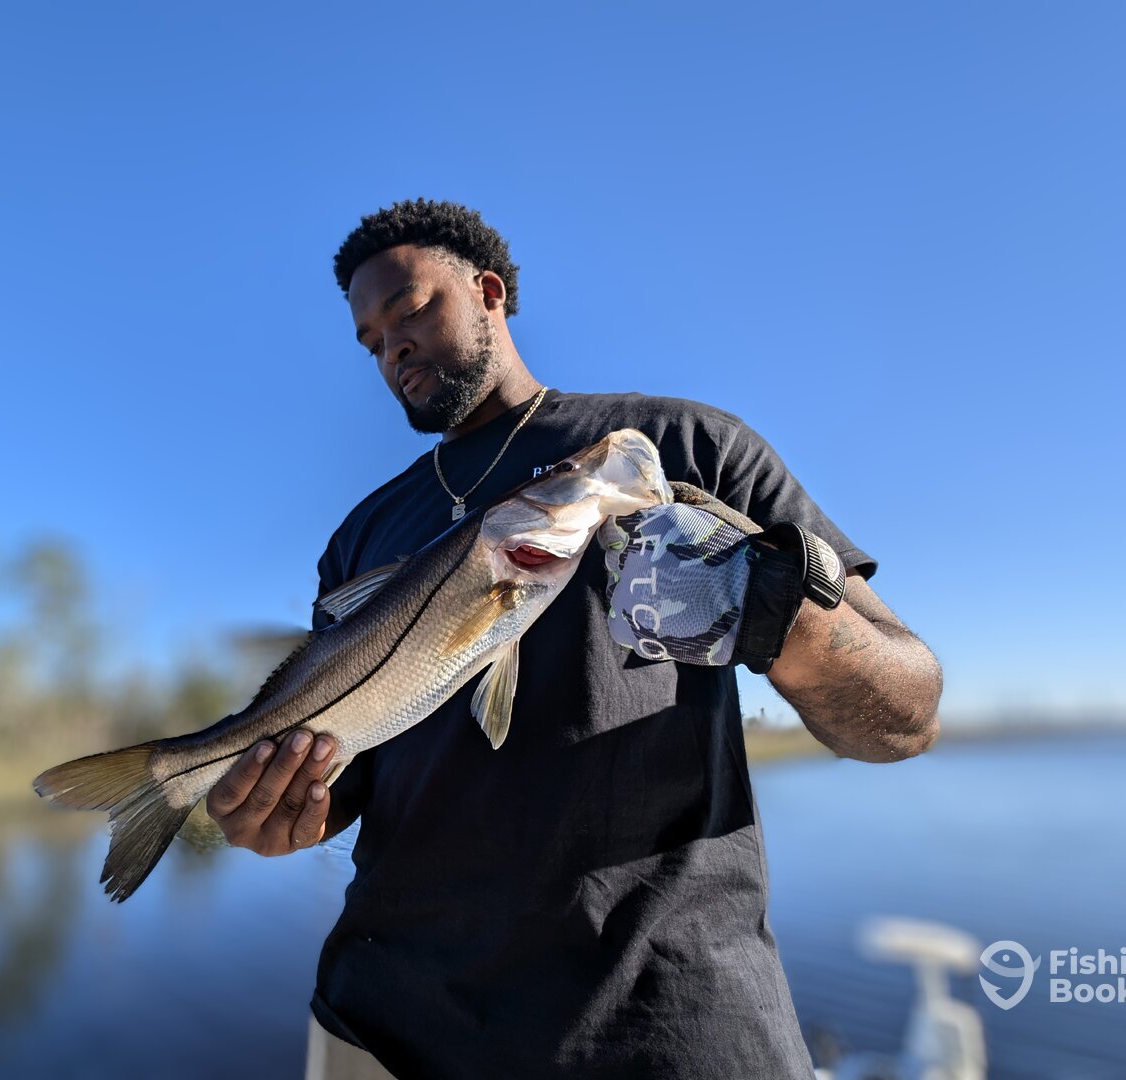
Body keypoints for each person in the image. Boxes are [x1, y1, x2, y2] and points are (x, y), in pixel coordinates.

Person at [206, 200, 943, 1080]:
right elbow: (349, 778)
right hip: (380, 1025)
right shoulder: (359, 537)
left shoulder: (684, 446)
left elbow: (907, 718)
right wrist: (288, 812)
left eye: (410, 309)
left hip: (664, 1027)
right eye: (371, 342)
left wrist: (777, 606)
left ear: (488, 292)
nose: (392, 347)